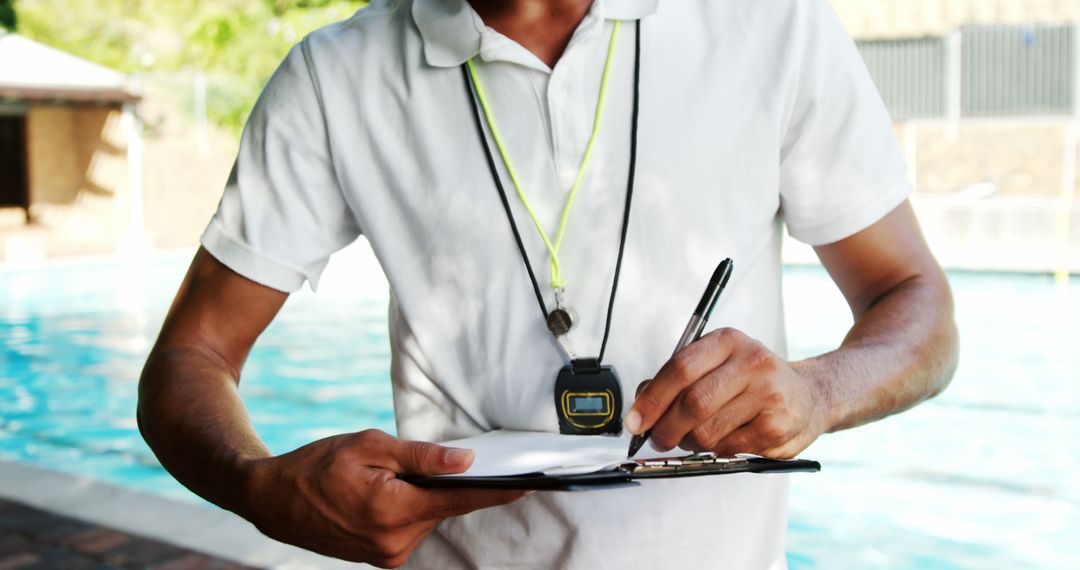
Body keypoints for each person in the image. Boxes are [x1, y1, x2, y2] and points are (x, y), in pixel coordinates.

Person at [137, 0, 959, 567]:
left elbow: (914, 297)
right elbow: (190, 357)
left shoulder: (769, 24)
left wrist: (817, 392)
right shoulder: (335, 76)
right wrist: (259, 487)